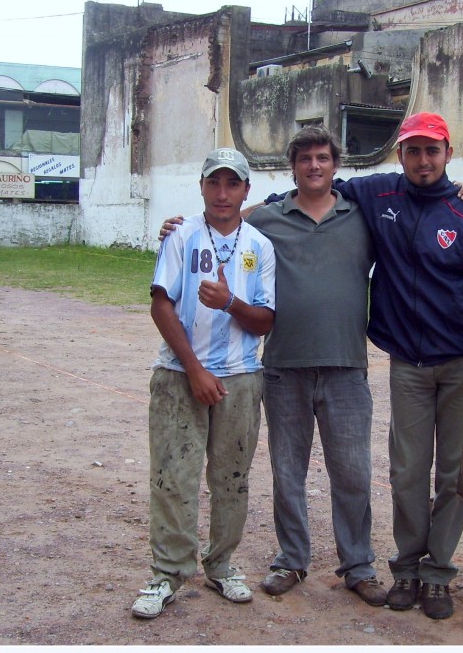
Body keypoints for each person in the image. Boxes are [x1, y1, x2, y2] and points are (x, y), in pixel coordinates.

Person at [158, 127, 387, 607]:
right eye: (305, 159)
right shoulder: (269, 218)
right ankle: (291, 559)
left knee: (353, 474)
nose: (314, 166)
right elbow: (225, 221)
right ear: (293, 167)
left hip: (346, 365)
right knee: (288, 472)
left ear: (335, 164)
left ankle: (359, 565)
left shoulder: (361, 217)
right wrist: (178, 228)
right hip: (284, 366)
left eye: (323, 158)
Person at [314, 113, 463, 620]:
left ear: (448, 152)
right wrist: (246, 212)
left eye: (433, 150)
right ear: (401, 154)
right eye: (414, 150)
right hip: (409, 364)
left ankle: (438, 573)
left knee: (457, 473)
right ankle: (405, 568)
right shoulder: (379, 195)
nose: (424, 160)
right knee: (406, 473)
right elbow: (317, 188)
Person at [131, 148, 276, 619]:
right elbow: (161, 304)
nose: (222, 193)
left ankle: (222, 564)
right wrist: (193, 369)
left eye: (232, 184)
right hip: (178, 375)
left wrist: (231, 300)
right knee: (173, 476)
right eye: (214, 182)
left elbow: (265, 321)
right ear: (201, 187)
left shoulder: (259, 246)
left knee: (231, 478)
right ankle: (167, 573)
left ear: (246, 191)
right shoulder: (181, 237)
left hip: (239, 379)